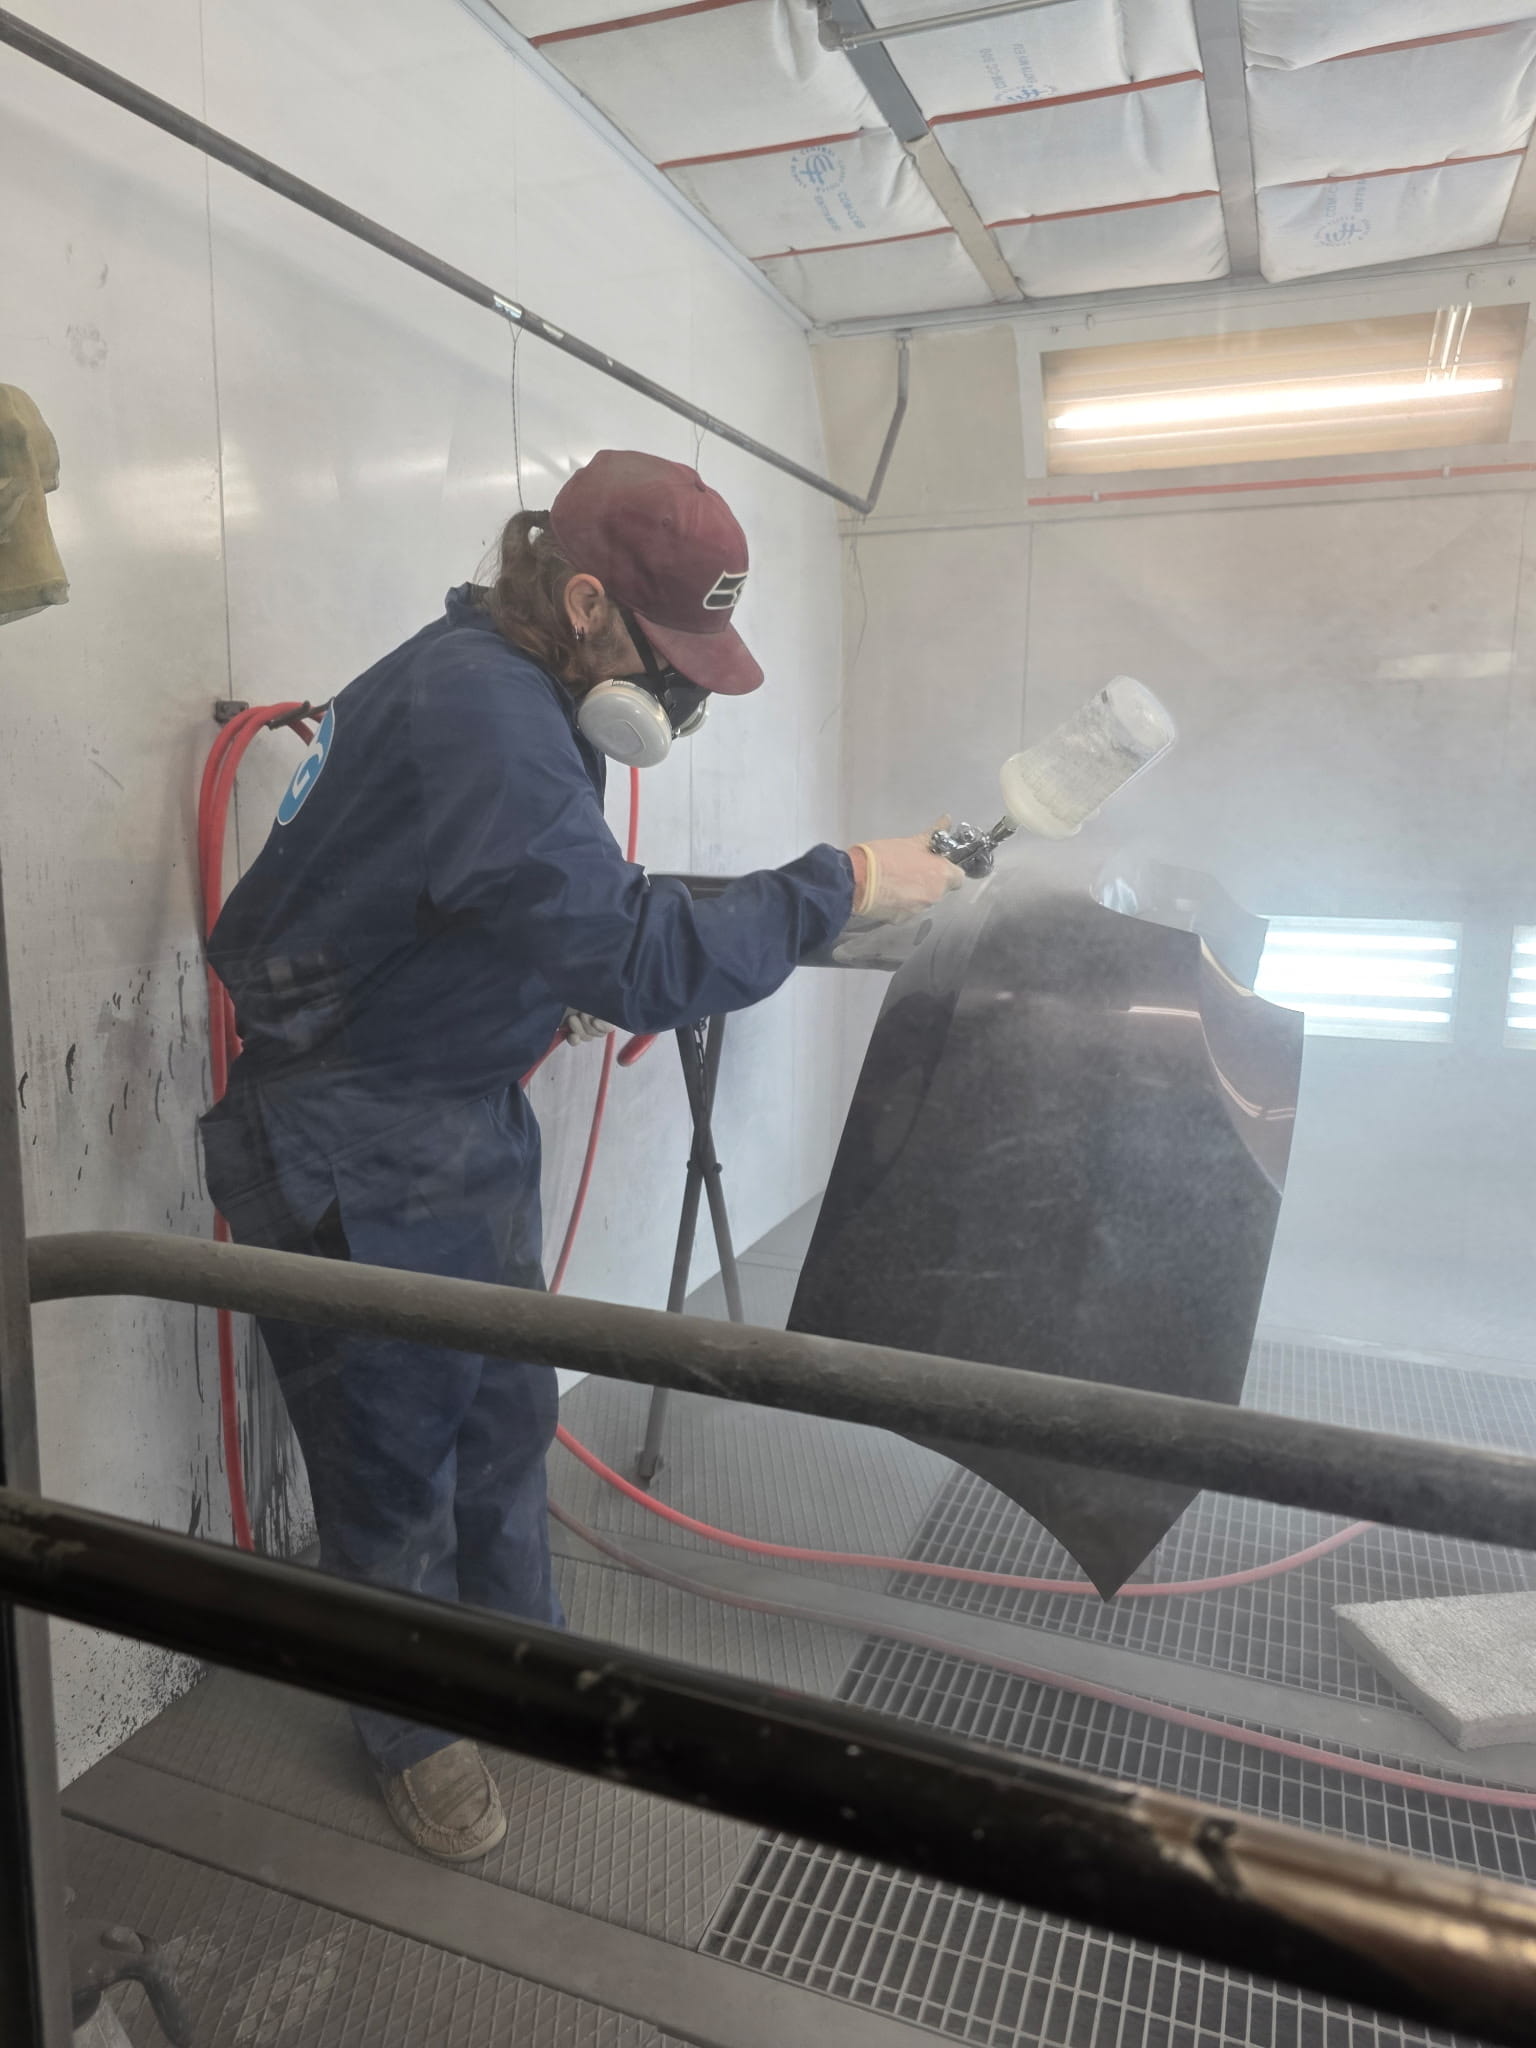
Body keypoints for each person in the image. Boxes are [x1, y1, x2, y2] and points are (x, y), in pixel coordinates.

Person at [200, 449, 962, 1861]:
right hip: (353, 1130)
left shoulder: (516, 688)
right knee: (392, 1457)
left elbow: (529, 903)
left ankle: (522, 1662)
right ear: (585, 599)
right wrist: (839, 882)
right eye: (667, 656)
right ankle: (414, 1727)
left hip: (456, 1111)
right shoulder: (482, 704)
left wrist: (586, 968)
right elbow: (626, 953)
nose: (676, 695)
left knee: (503, 1410)